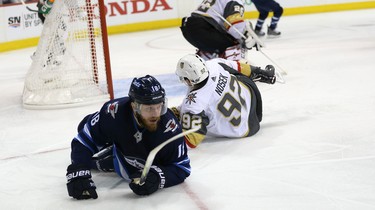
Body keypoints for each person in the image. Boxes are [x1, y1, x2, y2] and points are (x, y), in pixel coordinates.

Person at [66, 75, 191, 199]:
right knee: (83, 124)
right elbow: (84, 139)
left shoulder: (170, 129)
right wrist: (79, 170)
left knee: (98, 163)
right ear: (134, 106)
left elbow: (182, 168)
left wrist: (157, 177)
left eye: (159, 107)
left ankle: (111, 155)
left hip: (129, 163)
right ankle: (112, 147)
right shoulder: (114, 112)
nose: (155, 114)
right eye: (149, 108)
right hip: (125, 149)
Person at [172, 54, 275, 148]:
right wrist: (262, 73)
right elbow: (239, 67)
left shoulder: (193, 104)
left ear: (189, 80)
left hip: (243, 129)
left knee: (197, 116)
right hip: (252, 100)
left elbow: (191, 141)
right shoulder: (214, 64)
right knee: (232, 73)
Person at [180, 0, 258, 61]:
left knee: (220, 41)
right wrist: (247, 37)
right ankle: (237, 68)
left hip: (188, 28)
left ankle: (205, 59)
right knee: (237, 42)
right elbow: (235, 27)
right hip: (203, 28)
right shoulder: (235, 1)